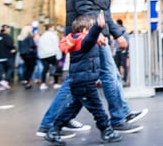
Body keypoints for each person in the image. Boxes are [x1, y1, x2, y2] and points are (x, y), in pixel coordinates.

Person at [37, 0, 146, 138]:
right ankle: (118, 118)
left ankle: (52, 123)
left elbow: (98, 9)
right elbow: (84, 4)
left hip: (90, 32)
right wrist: (92, 33)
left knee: (80, 78)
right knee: (107, 74)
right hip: (90, 34)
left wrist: (116, 33)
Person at [44, 13, 123, 146]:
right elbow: (90, 38)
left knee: (71, 109)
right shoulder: (83, 41)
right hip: (85, 83)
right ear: (86, 30)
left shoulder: (74, 40)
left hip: (78, 81)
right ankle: (107, 131)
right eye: (91, 29)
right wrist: (98, 26)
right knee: (98, 109)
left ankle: (53, 130)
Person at [37, 24, 63, 90]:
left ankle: (43, 84)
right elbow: (57, 45)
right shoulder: (54, 35)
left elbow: (39, 46)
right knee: (55, 68)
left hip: (43, 55)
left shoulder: (42, 36)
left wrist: (40, 55)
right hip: (52, 54)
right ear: (50, 28)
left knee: (45, 69)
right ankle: (56, 83)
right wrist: (59, 56)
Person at [0, 24, 17, 90]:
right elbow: (11, 45)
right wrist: (14, 49)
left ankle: (1, 84)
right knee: (11, 67)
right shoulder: (7, 37)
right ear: (6, 29)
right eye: (8, 29)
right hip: (6, 55)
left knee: (0, 70)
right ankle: (5, 80)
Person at [18, 25, 38, 89]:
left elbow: (20, 47)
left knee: (27, 68)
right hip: (30, 55)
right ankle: (28, 81)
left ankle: (26, 80)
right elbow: (32, 45)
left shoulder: (20, 37)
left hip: (23, 55)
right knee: (31, 68)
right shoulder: (29, 37)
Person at [112, 19, 129, 85]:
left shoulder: (124, 34)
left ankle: (124, 80)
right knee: (116, 66)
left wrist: (127, 52)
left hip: (123, 52)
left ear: (120, 25)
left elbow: (128, 43)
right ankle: (118, 79)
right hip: (117, 51)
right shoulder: (116, 33)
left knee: (124, 66)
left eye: (117, 24)